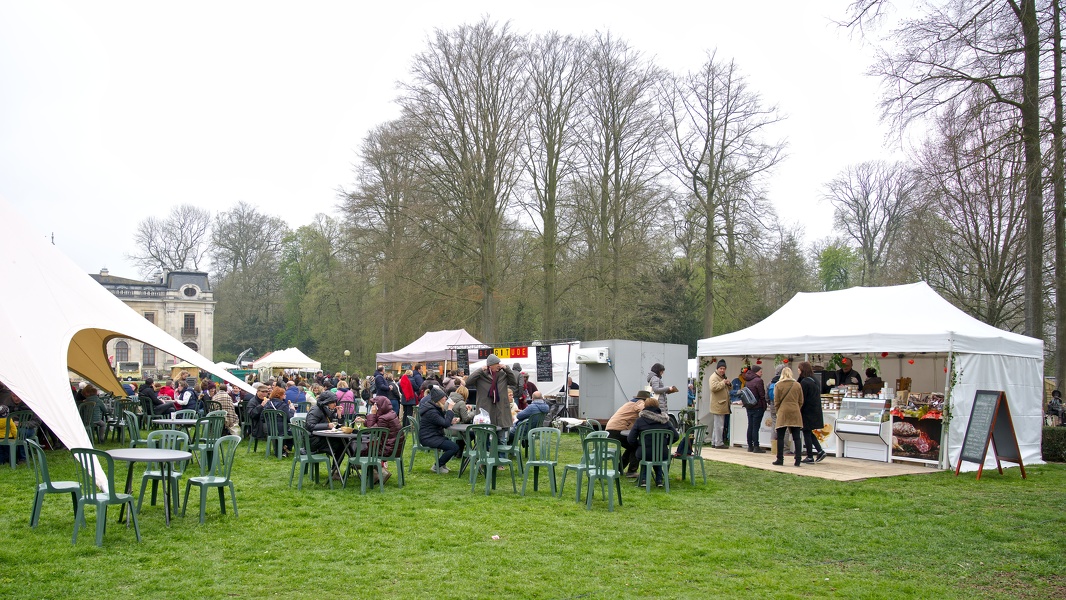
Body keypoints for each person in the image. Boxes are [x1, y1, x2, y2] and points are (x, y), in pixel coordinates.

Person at [626, 398, 678, 487]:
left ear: (645, 407)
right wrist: (664, 443)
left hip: (644, 452)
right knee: (656, 454)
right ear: (657, 406)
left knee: (646, 455)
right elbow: (676, 436)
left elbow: (631, 439)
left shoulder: (640, 421)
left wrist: (640, 444)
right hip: (662, 453)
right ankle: (659, 480)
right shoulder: (665, 421)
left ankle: (644, 479)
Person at [465, 354, 517, 429]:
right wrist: (480, 370)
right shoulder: (481, 376)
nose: (499, 365)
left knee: (502, 438)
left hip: (501, 410)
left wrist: (507, 368)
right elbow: (468, 382)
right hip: (486, 410)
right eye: (497, 364)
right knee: (485, 437)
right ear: (491, 365)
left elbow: (513, 382)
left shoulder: (503, 375)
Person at [606, 390, 649, 477]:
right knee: (636, 447)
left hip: (612, 428)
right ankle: (631, 471)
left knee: (630, 447)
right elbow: (643, 409)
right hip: (618, 429)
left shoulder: (630, 403)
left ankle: (619, 469)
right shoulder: (640, 402)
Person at [417, 386, 460, 474]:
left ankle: (442, 464)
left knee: (450, 444)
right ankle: (437, 466)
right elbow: (445, 424)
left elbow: (443, 421)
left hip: (432, 435)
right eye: (444, 397)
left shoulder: (433, 408)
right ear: (438, 399)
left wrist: (451, 420)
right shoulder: (431, 411)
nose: (445, 398)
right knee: (454, 447)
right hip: (428, 437)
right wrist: (450, 410)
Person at [771, 367, 805, 467]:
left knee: (780, 437)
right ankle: (798, 459)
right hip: (795, 411)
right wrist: (796, 407)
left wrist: (778, 411)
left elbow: (776, 401)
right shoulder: (797, 385)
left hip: (783, 411)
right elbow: (801, 400)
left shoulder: (779, 385)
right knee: (796, 437)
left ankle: (780, 459)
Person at [365, 395, 400, 485]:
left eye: (375, 404)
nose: (373, 406)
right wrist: (364, 421)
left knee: (362, 450)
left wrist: (372, 414)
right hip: (395, 447)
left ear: (379, 405)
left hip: (387, 449)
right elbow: (376, 425)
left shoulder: (383, 418)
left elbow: (371, 430)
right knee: (368, 447)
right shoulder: (391, 414)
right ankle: (376, 473)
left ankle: (379, 472)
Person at [798, 361, 827, 463]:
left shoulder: (805, 382)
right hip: (815, 410)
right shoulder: (814, 380)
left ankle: (810, 455)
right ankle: (820, 451)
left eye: (799, 369)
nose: (798, 370)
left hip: (807, 411)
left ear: (802, 370)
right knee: (809, 432)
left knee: (806, 432)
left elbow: (802, 398)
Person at [265, 386, 296, 457]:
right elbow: (290, 418)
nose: (285, 395)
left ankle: (283, 449)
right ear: (279, 395)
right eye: (284, 394)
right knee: (296, 431)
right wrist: (292, 410)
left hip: (270, 430)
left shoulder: (267, 404)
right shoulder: (283, 405)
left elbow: (262, 418)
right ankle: (287, 448)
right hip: (282, 431)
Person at [744, 364, 767, 453]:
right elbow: (762, 395)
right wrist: (764, 405)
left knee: (750, 426)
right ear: (757, 372)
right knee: (755, 427)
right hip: (757, 406)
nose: (761, 373)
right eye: (760, 371)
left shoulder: (747, 381)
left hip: (749, 406)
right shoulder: (759, 381)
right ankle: (756, 446)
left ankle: (750, 445)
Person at [708, 359, 731, 449]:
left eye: (724, 368)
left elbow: (728, 388)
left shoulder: (722, 377)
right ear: (717, 368)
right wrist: (723, 383)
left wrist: (729, 384)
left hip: (722, 404)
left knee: (717, 425)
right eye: (721, 368)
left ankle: (714, 442)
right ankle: (719, 443)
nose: (722, 370)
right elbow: (713, 388)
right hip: (718, 405)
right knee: (719, 425)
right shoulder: (713, 377)